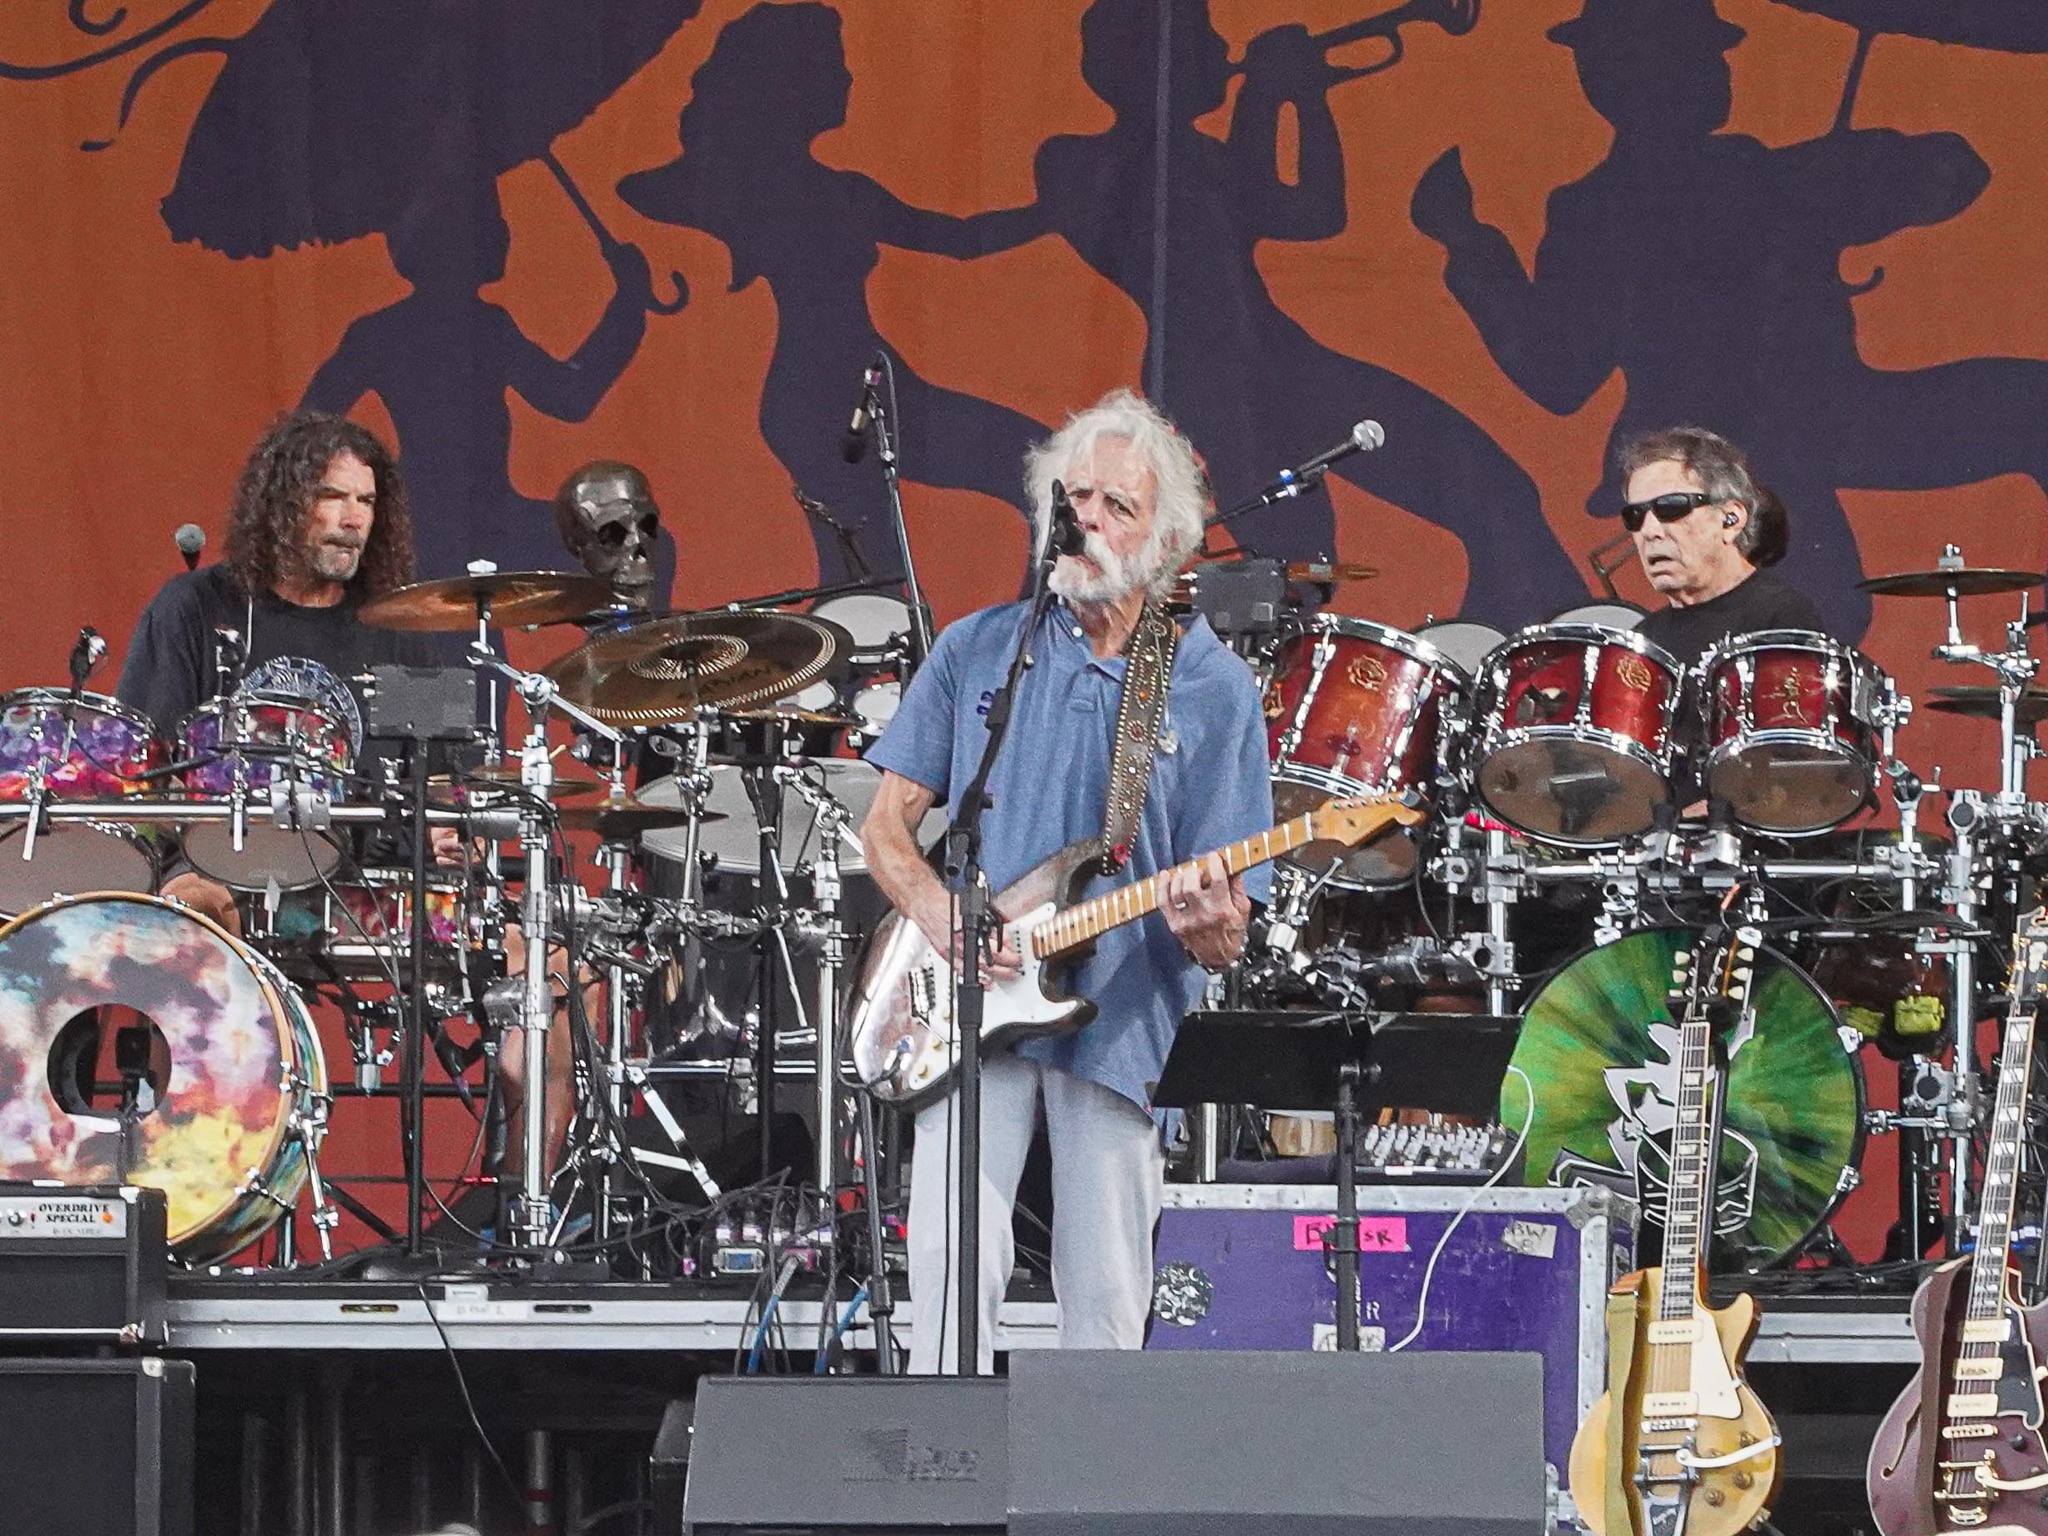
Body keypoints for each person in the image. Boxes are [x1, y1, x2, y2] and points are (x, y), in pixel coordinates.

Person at [860, 389, 1275, 1373]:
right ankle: (941, 1484)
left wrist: (1207, 925)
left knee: (1104, 1294)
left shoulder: (1209, 686)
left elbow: (1227, 932)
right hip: (967, 996)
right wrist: (938, 913)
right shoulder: (978, 650)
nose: (1085, 518)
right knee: (950, 1276)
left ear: (1167, 539)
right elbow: (883, 827)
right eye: (1073, 497)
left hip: (1121, 1013)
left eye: (1114, 506)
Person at [117, 410, 451, 934]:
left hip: (362, 882)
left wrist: (451, 827)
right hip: (218, 874)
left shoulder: (400, 622)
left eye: (365, 501)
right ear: (282, 506)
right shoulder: (195, 606)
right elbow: (141, 767)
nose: (353, 519)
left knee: (545, 955)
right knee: (195, 910)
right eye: (332, 496)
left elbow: (446, 774)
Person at [1620, 426, 1830, 667]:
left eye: (1671, 507)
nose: (1649, 531)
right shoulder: (1642, 642)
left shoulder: (1781, 616)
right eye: (1635, 515)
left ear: (1731, 519)